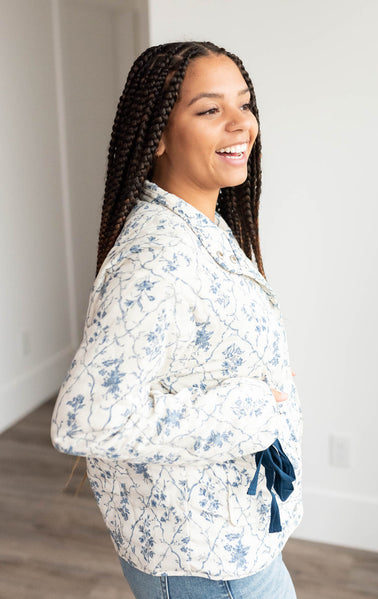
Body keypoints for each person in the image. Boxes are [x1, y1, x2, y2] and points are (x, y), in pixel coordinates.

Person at [51, 41, 303, 599]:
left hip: (230, 535)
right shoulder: (157, 255)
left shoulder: (201, 226)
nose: (242, 125)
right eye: (210, 110)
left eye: (244, 104)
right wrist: (250, 410)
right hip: (206, 562)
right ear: (159, 134)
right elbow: (85, 420)